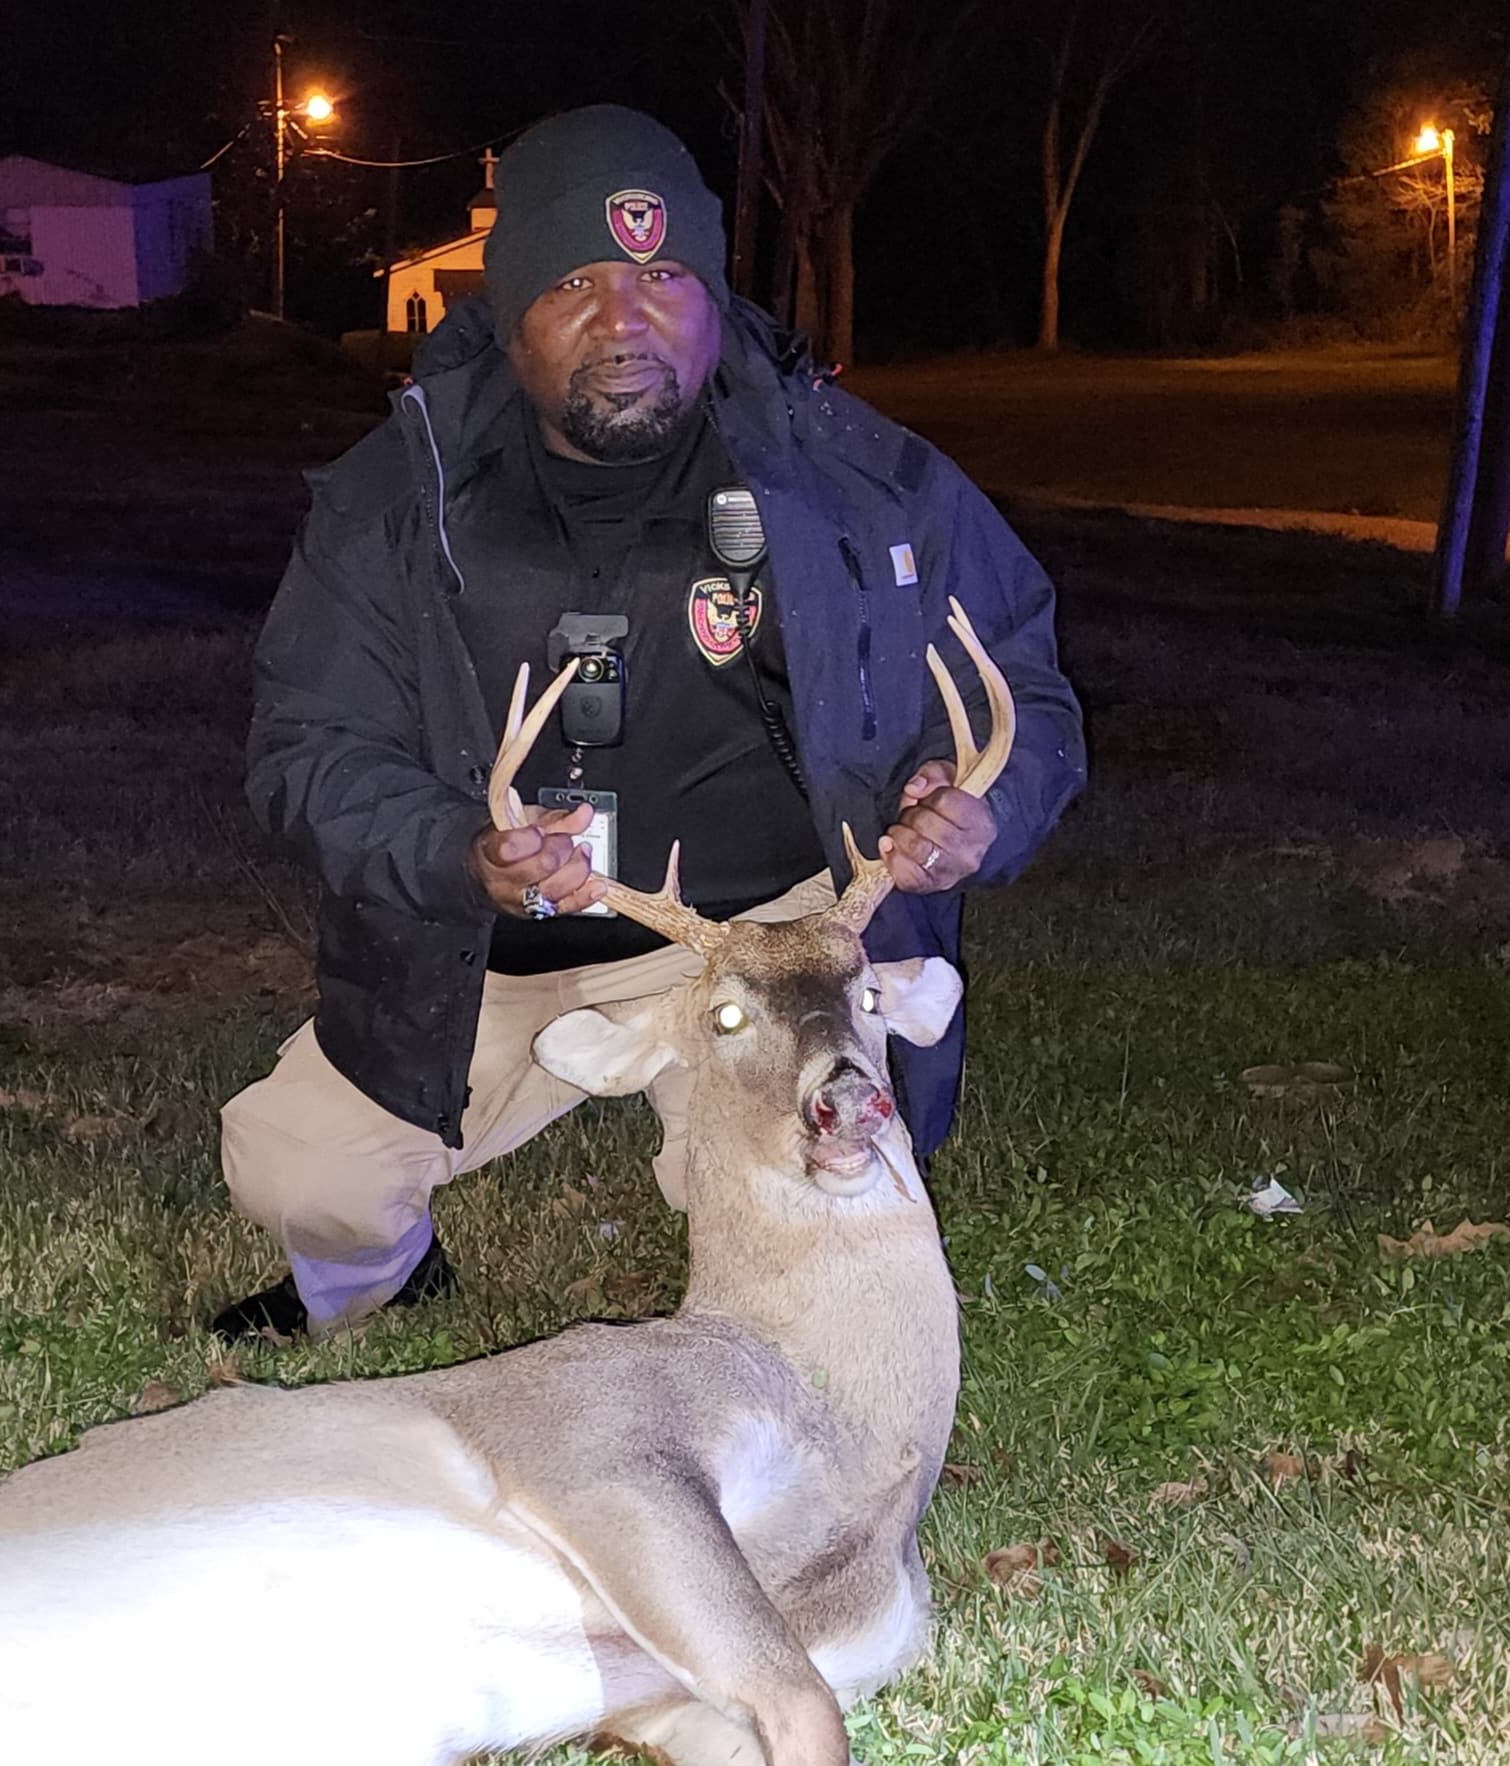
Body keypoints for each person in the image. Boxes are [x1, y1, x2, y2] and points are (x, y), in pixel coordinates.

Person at [213, 105, 1084, 1338]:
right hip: (486, 952)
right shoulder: (396, 504)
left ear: (711, 298)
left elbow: (1028, 682)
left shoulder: (854, 480)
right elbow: (304, 750)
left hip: (760, 933)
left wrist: (985, 804)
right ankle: (390, 1278)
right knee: (303, 1177)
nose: (625, 322)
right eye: (575, 279)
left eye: (663, 275)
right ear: (508, 309)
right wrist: (461, 855)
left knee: (814, 1202)